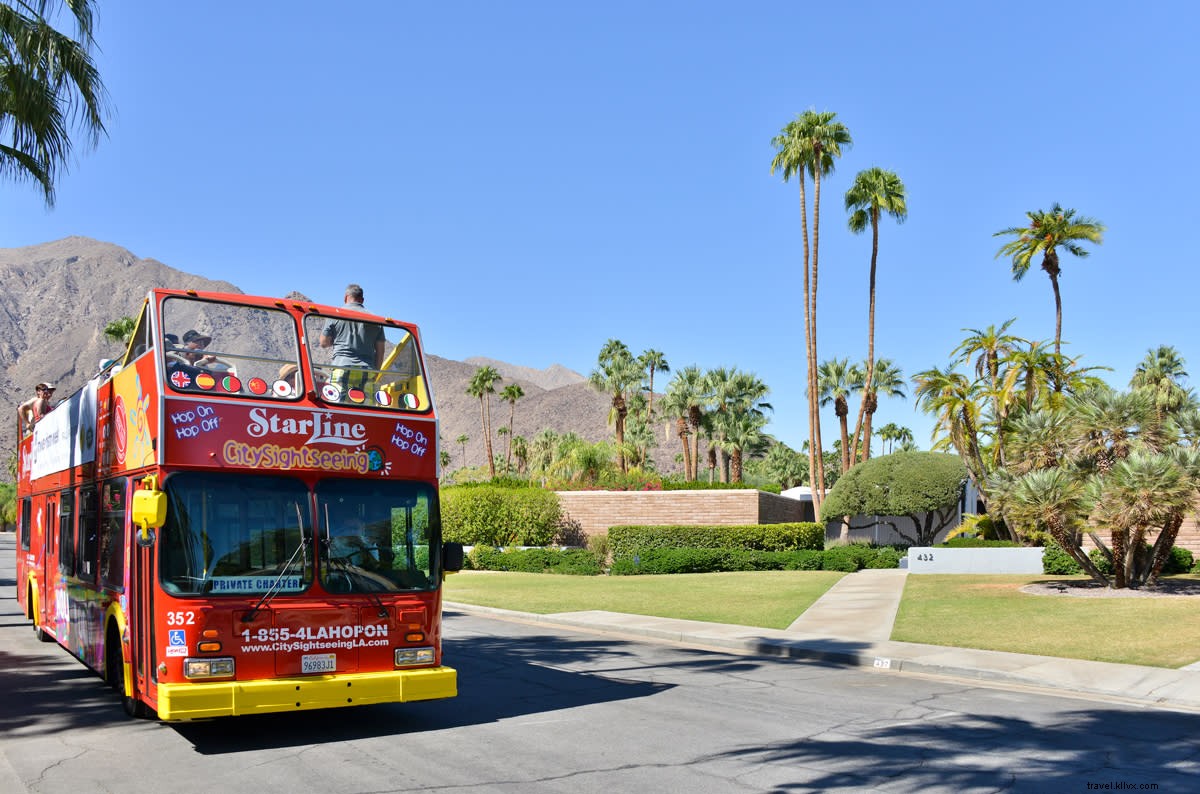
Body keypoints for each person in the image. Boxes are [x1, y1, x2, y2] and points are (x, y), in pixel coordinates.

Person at [320, 284, 385, 393]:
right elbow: (380, 351)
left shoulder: (335, 314)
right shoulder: (376, 320)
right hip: (367, 369)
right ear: (362, 300)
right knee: (365, 407)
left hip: (342, 366)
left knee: (338, 405)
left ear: (345, 298)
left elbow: (323, 342)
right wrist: (376, 373)